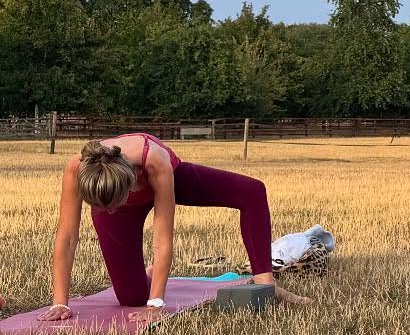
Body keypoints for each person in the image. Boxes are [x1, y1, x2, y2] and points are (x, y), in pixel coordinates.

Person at [42, 133, 306, 322]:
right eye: (102, 207)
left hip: (167, 175)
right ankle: (148, 274)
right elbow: (67, 237)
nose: (109, 212)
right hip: (113, 191)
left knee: (251, 191)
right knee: (131, 298)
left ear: (132, 180)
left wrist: (156, 303)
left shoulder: (154, 161)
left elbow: (162, 239)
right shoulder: (78, 168)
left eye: (113, 205)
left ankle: (265, 284)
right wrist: (60, 302)